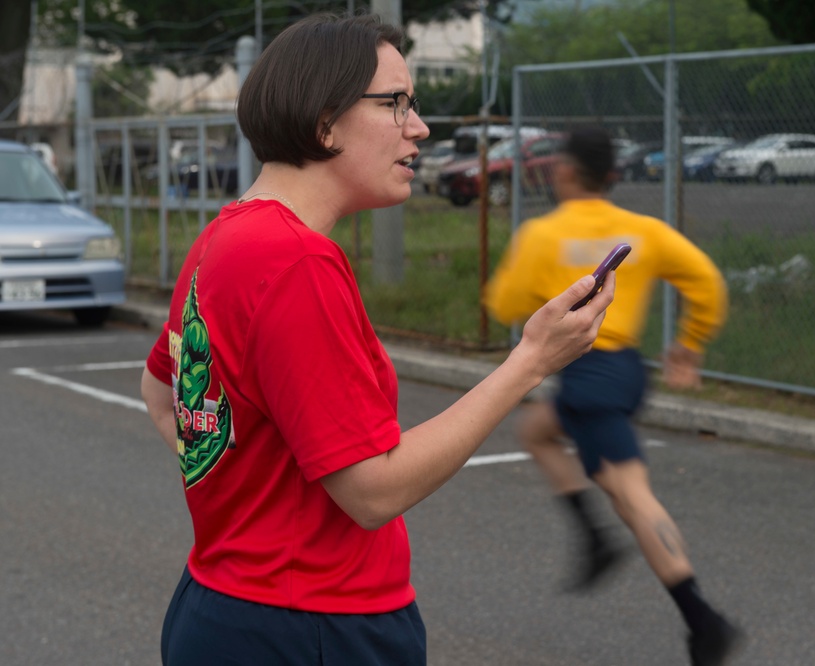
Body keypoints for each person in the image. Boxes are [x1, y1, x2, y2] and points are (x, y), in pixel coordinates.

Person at [139, 13, 614, 666]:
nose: (418, 128)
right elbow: (373, 492)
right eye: (395, 104)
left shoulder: (226, 235)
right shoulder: (295, 260)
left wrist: (247, 507)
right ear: (324, 120)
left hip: (222, 605)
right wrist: (531, 361)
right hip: (312, 627)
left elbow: (163, 395)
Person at [483, 127, 743, 666]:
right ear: (612, 177)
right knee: (535, 431)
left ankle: (703, 621)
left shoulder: (543, 233)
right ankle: (593, 538)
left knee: (632, 495)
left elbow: (503, 301)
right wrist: (688, 348)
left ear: (567, 173)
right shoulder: (642, 231)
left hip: (589, 375)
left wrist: (542, 293)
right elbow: (707, 284)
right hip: (625, 370)